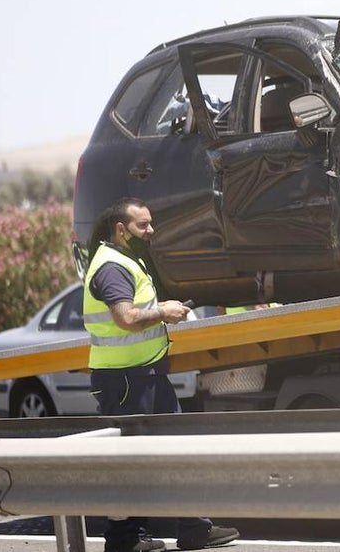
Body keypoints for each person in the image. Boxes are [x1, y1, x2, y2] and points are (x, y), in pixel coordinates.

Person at [84, 197, 240, 552]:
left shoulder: (126, 259)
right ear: (121, 230)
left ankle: (194, 528)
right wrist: (163, 311)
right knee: (130, 462)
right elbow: (125, 318)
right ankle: (125, 538)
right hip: (124, 381)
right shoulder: (111, 266)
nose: (151, 231)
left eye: (151, 224)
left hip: (146, 375)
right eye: (143, 226)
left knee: (176, 450)